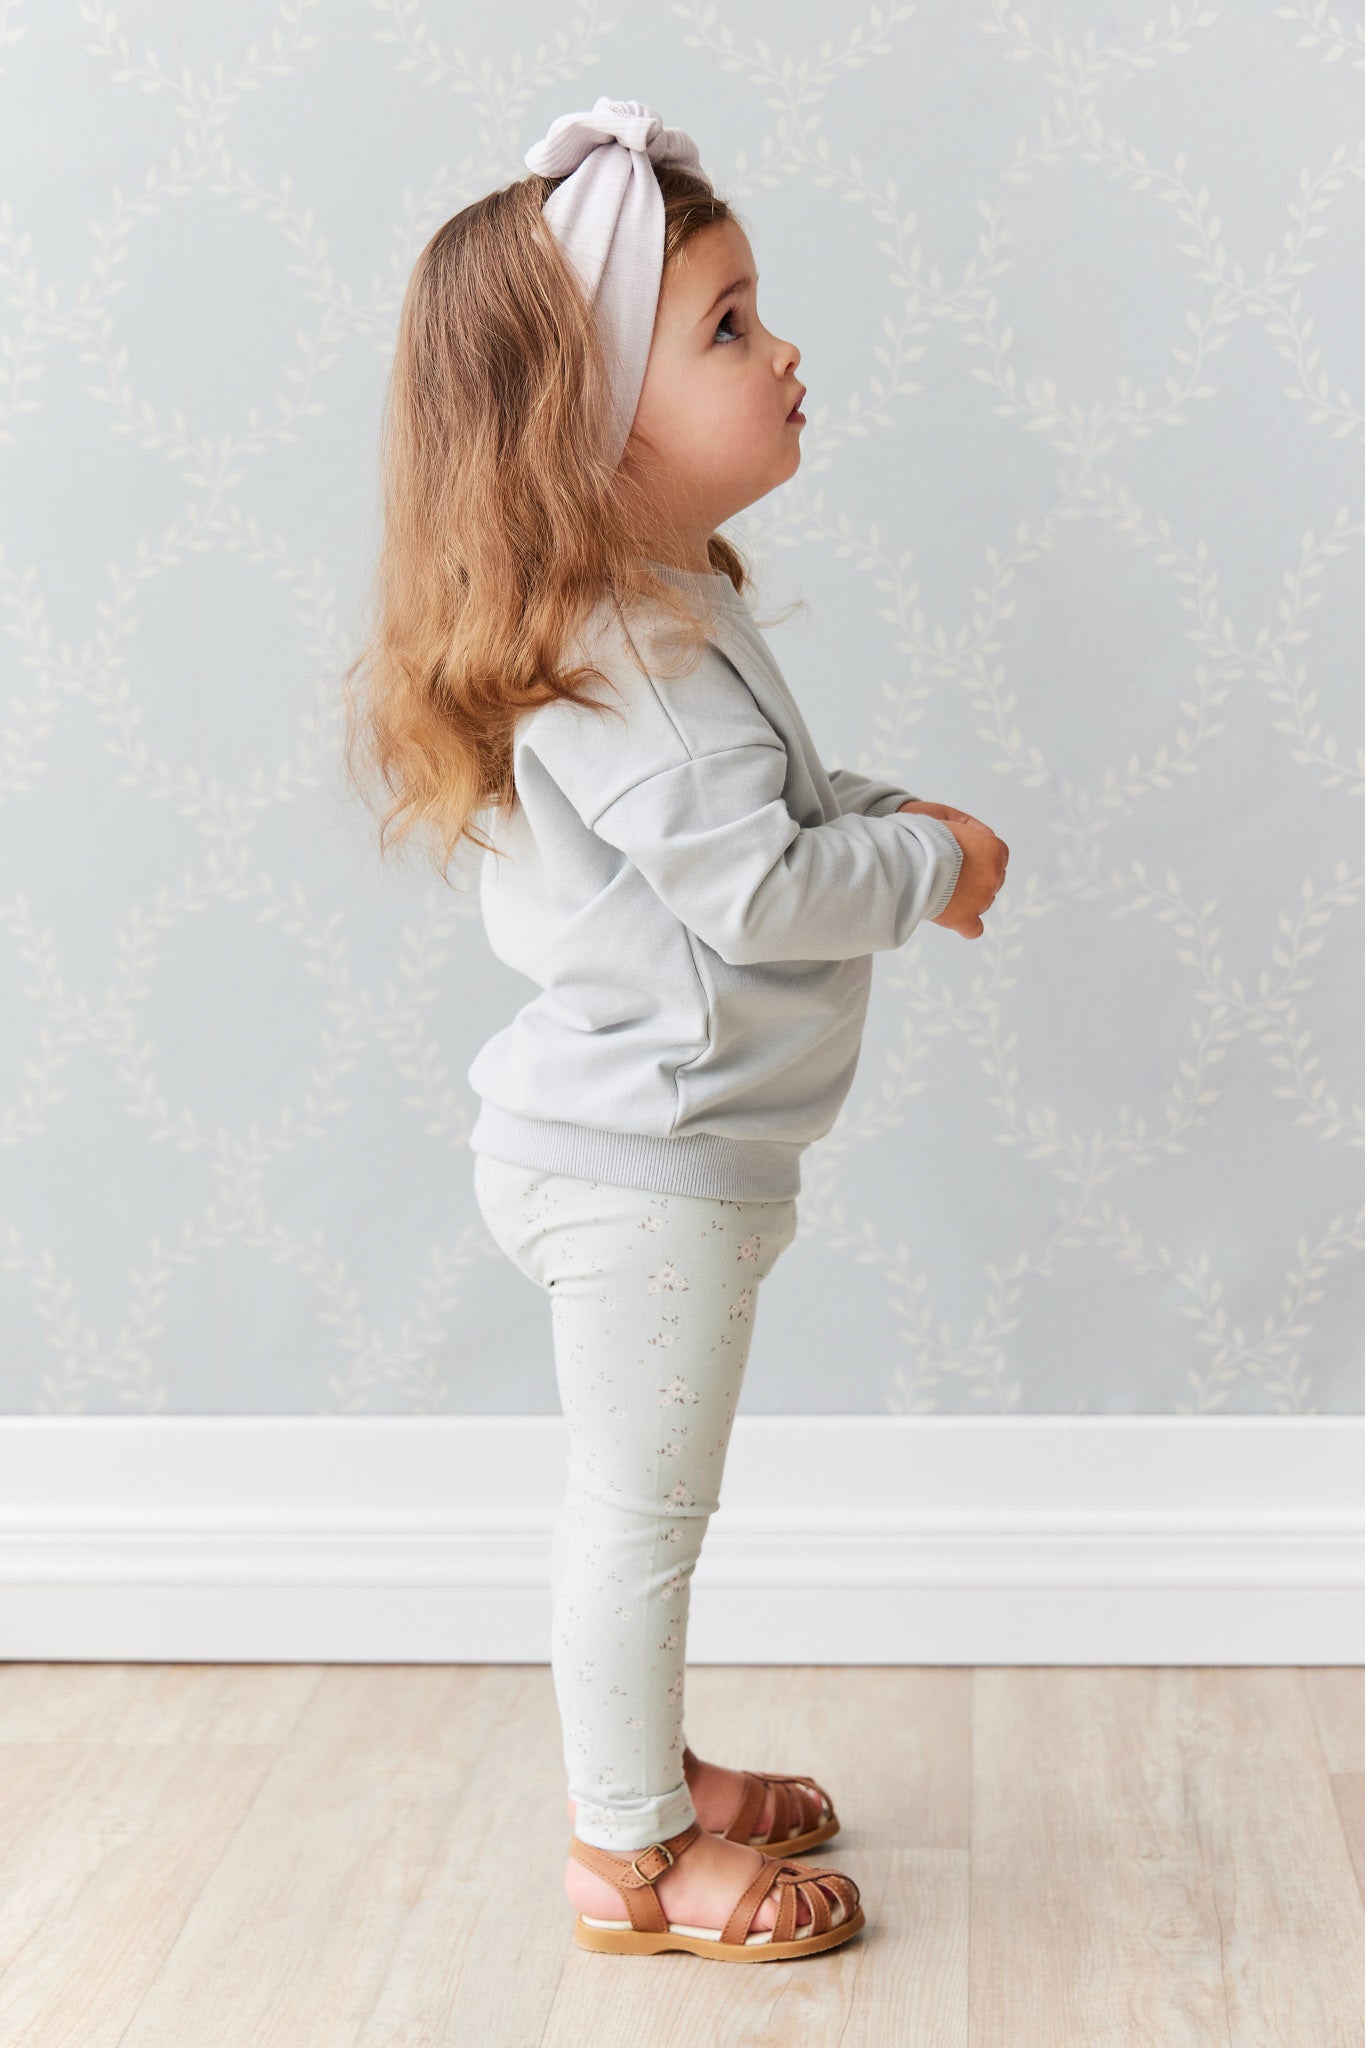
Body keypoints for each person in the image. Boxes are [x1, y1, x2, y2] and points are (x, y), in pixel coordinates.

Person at [342, 96, 1008, 1964]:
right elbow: (763, 890)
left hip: (667, 1145)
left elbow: (763, 816)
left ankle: (651, 1773)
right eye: (723, 326)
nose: (779, 351)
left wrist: (895, 819)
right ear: (587, 424)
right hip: (639, 1168)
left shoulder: (660, 614)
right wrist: (925, 862)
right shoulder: (621, 658)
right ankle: (625, 1857)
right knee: (639, 1516)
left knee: (650, 1505)